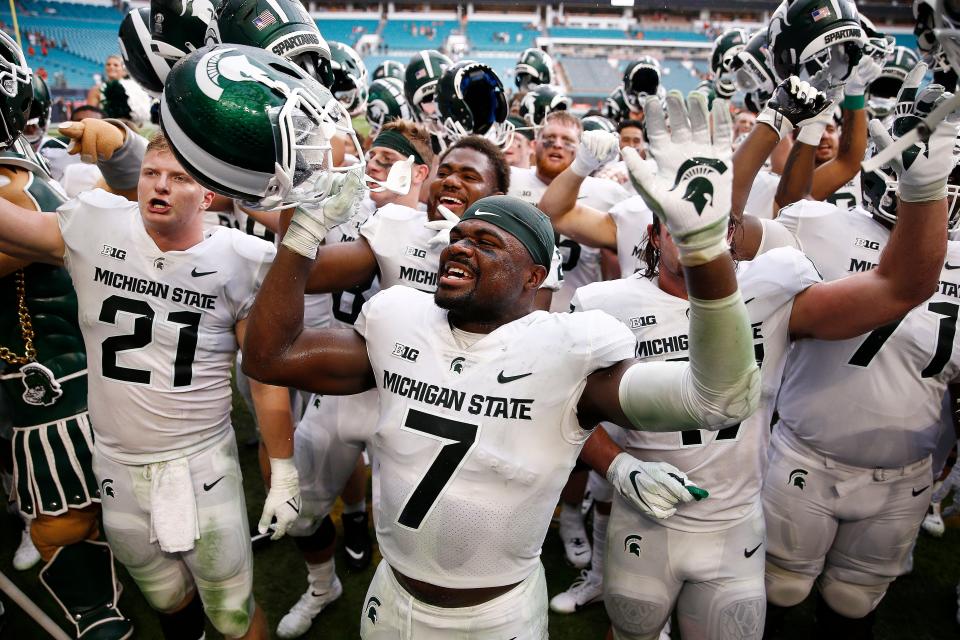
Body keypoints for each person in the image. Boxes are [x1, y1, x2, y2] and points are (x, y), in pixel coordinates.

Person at [240, 91, 761, 638]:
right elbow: (269, 356)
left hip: (497, 615)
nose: (460, 246)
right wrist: (303, 228)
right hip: (390, 598)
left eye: (486, 241)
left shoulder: (567, 349)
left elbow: (718, 399)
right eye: (459, 237)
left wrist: (705, 252)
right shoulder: (398, 318)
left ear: (535, 278)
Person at [566, 82, 953, 639]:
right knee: (631, 631)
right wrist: (618, 465)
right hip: (644, 515)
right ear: (653, 230)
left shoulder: (770, 289)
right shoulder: (608, 303)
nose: (701, 227)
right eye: (684, 215)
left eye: (717, 215)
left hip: (734, 522)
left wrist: (924, 188)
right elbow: (561, 412)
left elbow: (900, 288)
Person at [0, 129, 300, 640]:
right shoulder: (94, 224)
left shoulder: (241, 259)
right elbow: (17, 226)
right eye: (151, 174)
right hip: (115, 460)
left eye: (178, 178)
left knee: (230, 611)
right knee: (165, 597)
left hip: (201, 460)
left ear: (208, 195)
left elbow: (265, 378)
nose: (159, 187)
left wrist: (285, 467)